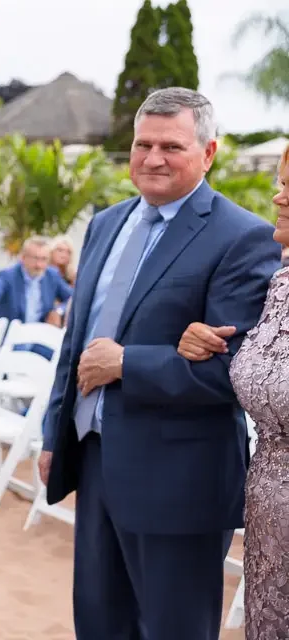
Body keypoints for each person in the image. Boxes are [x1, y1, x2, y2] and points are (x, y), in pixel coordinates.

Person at [38, 87, 281, 640]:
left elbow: (232, 372)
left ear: (209, 152)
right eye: (142, 144)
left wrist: (128, 364)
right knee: (99, 624)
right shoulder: (106, 224)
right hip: (95, 461)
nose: (152, 158)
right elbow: (78, 344)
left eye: (171, 146)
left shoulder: (243, 237)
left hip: (179, 480)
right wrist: (55, 435)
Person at [173, 142, 289, 640]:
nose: (278, 197)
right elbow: (245, 350)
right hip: (266, 525)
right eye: (281, 183)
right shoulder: (281, 284)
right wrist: (196, 340)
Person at [0, 235, 72, 357]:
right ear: (23, 258)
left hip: (39, 342)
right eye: (35, 258)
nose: (39, 265)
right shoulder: (7, 276)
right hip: (9, 343)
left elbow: (72, 298)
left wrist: (58, 311)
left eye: (44, 259)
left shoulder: (52, 276)